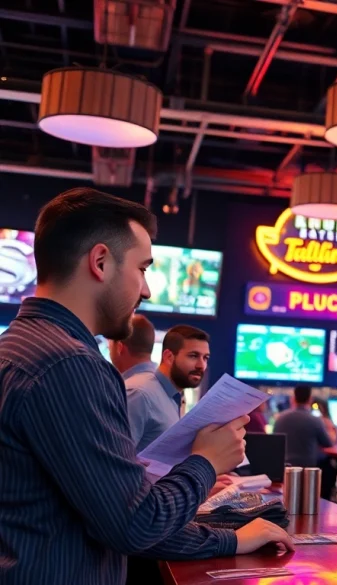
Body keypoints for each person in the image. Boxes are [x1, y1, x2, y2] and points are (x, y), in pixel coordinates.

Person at [0, 188, 291, 585]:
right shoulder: (70, 365)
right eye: (143, 268)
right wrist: (205, 461)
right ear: (100, 262)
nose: (147, 290)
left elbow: (109, 515)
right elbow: (136, 525)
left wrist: (228, 540)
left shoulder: (18, 348)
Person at [125, 324, 211, 452]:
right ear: (169, 357)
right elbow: (115, 459)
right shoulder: (140, 394)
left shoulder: (177, 396)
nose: (201, 365)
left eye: (205, 358)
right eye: (193, 356)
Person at [110, 314, 156, 378]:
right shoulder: (164, 381)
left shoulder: (128, 387)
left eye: (110, 343)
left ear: (119, 348)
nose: (109, 348)